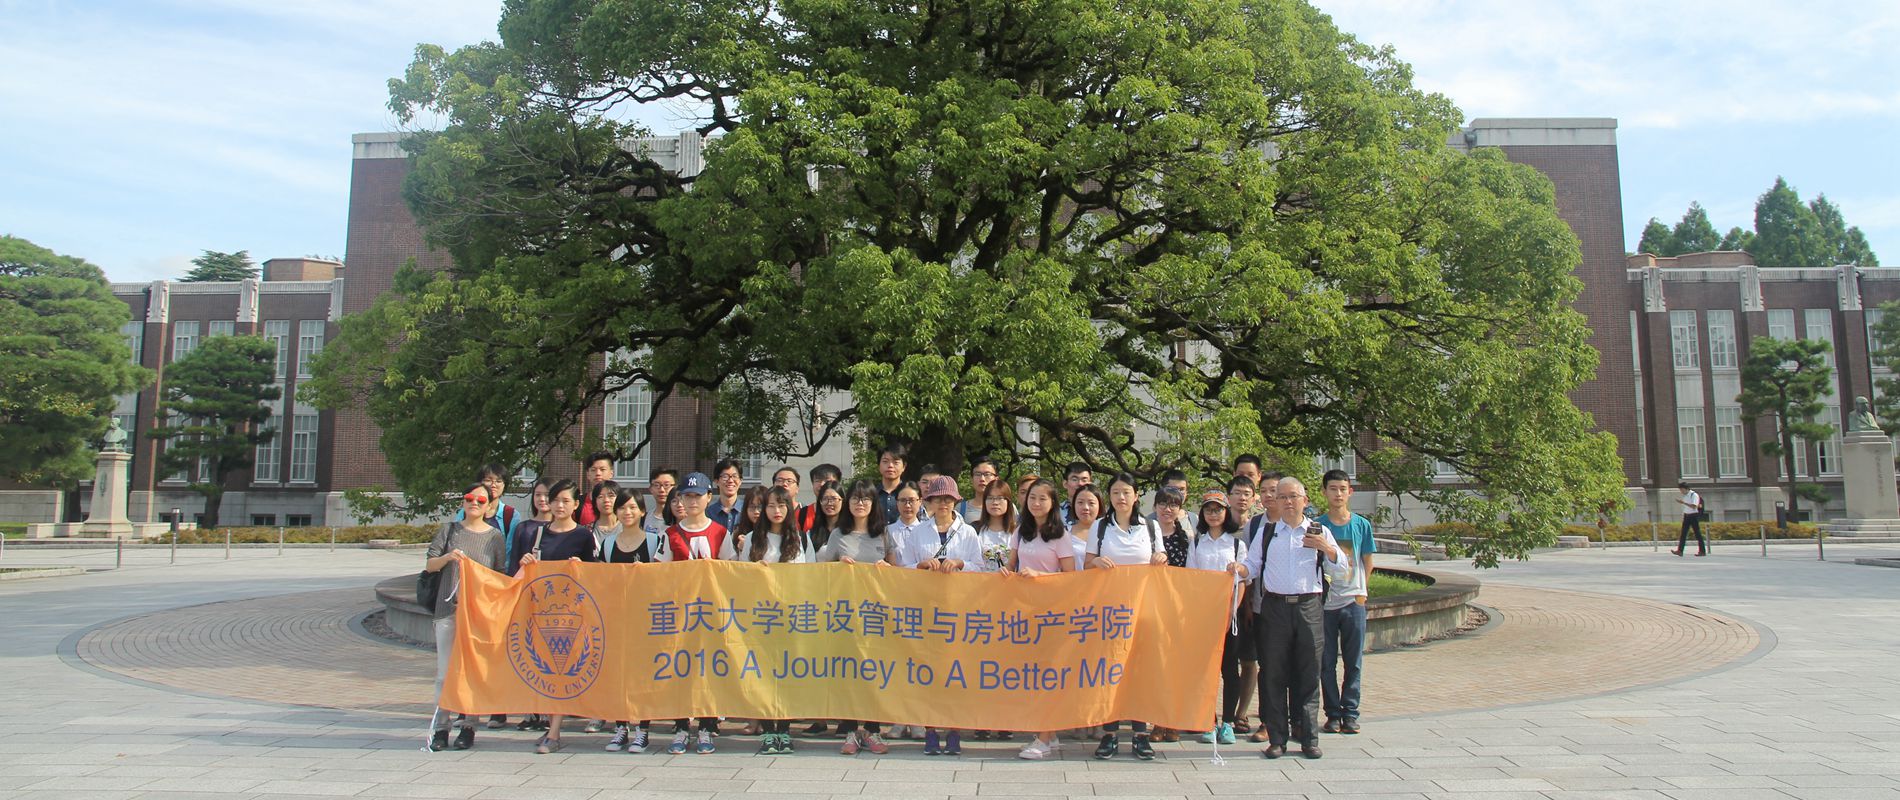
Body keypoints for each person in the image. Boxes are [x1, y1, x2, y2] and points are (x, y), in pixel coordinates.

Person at [1243, 477, 1346, 760]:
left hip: (1308, 607)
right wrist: (1238, 570)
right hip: (1274, 607)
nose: (1288, 502)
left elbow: (1341, 568)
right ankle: (1277, 739)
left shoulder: (1319, 530)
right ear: (1275, 501)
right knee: (1274, 673)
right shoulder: (1268, 532)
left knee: (1309, 673)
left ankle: (1309, 738)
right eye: (1282, 497)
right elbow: (1252, 565)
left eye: (1293, 496)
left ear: (1305, 500)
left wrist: (1326, 548)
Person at [1084, 473, 1166, 761]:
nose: (1121, 497)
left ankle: (1141, 735)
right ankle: (1110, 733)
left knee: (1140, 672)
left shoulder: (1151, 527)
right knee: (1109, 671)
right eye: (1116, 492)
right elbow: (1086, 564)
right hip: (1109, 611)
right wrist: (1096, 562)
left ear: (1136, 495)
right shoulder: (1100, 527)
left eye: (1126, 492)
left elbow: (1161, 563)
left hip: (1143, 610)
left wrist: (1161, 559)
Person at [516, 479, 601, 754]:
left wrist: (581, 568)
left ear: (576, 504)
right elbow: (523, 571)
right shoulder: (537, 534)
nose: (559, 505)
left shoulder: (584, 536)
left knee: (561, 671)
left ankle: (554, 732)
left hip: (571, 617)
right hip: (540, 612)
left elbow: (597, 575)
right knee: (546, 671)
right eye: (555, 500)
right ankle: (550, 726)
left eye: (566, 501)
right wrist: (525, 563)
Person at [423, 484, 508, 752]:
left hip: (477, 615)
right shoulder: (449, 531)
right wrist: (448, 557)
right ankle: (441, 728)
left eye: (481, 500)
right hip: (447, 610)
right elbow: (430, 564)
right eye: (469, 498)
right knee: (445, 673)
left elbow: (498, 575)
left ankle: (469, 726)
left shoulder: (494, 537)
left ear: (489, 505)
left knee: (473, 672)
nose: (474, 503)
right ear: (463, 501)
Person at [815, 479, 897, 755]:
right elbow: (823, 573)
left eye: (866, 499)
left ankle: (873, 730)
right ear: (847, 503)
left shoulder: (883, 533)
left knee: (873, 673)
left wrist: (885, 568)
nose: (860, 503)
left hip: (875, 615)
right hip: (845, 615)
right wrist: (839, 566)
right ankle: (850, 730)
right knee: (848, 673)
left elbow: (898, 573)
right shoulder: (838, 534)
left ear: (874, 504)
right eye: (855, 498)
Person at [1012, 479, 1077, 760]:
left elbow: (1071, 577)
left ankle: (1044, 737)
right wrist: (1005, 573)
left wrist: (1040, 576)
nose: (1036, 503)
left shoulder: (1060, 535)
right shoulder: (1020, 531)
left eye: (1042, 498)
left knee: (1047, 675)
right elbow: (1011, 564)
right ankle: (1049, 733)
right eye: (1032, 498)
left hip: (1052, 613)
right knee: (1032, 674)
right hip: (1024, 611)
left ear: (1052, 503)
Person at [664, 472, 727, 753]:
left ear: (708, 498)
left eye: (697, 496)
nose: (692, 501)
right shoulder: (671, 534)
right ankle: (680, 726)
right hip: (680, 612)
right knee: (681, 669)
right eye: (687, 496)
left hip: (711, 613)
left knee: (709, 670)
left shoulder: (720, 532)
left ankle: (706, 726)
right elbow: (661, 573)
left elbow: (730, 571)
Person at [745, 486, 808, 755]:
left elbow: (810, 577)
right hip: (762, 617)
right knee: (765, 675)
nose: (776, 510)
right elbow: (740, 576)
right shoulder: (752, 539)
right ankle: (769, 730)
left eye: (782, 505)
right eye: (771, 505)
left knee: (787, 675)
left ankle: (785, 729)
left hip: (791, 617)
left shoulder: (801, 540)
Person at [1189, 490, 1250, 746]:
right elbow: (1192, 580)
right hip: (1204, 616)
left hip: (1229, 616)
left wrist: (1232, 611)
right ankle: (1208, 720)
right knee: (1206, 671)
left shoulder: (1236, 545)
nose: (1213, 514)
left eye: (1218, 510)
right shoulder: (1196, 543)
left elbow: (1243, 580)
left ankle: (1228, 723)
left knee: (1229, 669)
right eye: (1208, 510)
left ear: (1226, 513)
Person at [1317, 470, 1374, 736]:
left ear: (1350, 492)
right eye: (1333, 488)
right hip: (1326, 604)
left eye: (1342, 489)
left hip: (1353, 601)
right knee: (1326, 662)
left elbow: (1367, 561)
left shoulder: (1361, 525)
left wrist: (1363, 592)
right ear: (1324, 492)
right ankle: (1333, 714)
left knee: (1354, 661)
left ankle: (1350, 713)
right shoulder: (1317, 525)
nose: (1338, 494)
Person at [600, 491, 653, 753]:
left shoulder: (654, 541)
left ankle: (643, 730)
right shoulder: (608, 544)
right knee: (619, 675)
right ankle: (621, 727)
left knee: (643, 676)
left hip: (647, 618)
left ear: (642, 511)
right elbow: (600, 578)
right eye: (622, 508)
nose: (627, 512)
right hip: (617, 617)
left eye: (632, 507)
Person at [720, 485, 770, 560]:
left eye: (760, 507)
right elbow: (731, 562)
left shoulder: (774, 532)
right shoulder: (737, 533)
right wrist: (742, 550)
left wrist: (748, 545)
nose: (756, 511)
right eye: (752, 507)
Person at [797, 463, 843, 532]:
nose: (821, 484)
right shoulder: (801, 515)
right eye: (817, 481)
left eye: (827, 481)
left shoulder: (850, 514)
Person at [645, 469, 679, 559]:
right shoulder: (643, 518)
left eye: (666, 485)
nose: (662, 490)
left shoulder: (681, 519)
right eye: (657, 485)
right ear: (650, 489)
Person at [706, 458, 747, 534]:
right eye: (725, 476)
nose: (730, 480)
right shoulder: (708, 513)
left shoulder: (747, 510)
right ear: (716, 481)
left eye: (734, 476)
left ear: (740, 481)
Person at [957, 458, 1000, 523]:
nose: (982, 479)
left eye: (987, 474)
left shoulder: (1007, 507)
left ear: (996, 479)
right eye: (977, 474)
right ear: (971, 479)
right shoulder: (960, 509)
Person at [577, 452, 614, 526]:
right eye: (593, 470)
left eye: (602, 469)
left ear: (611, 473)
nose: (598, 473)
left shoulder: (621, 503)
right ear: (588, 474)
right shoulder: (578, 504)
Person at [874, 443, 908, 523]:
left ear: (904, 466)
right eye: (885, 461)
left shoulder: (910, 494)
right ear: (879, 465)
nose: (890, 466)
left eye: (896, 462)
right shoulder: (871, 494)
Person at [1674, 481, 1706, 557]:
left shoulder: (1694, 495)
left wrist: (1683, 503)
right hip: (1687, 515)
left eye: (1681, 489)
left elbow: (1694, 506)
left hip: (1693, 516)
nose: (1681, 491)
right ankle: (1680, 551)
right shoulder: (1685, 496)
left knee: (1697, 533)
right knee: (1683, 533)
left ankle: (1702, 551)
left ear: (1686, 489)